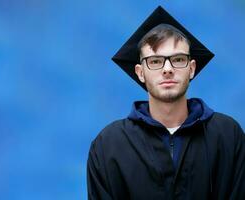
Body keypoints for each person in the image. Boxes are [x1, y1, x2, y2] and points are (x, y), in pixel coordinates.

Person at [87, 6, 245, 200]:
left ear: (192, 68)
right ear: (140, 72)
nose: (168, 69)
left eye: (178, 59)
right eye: (155, 61)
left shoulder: (227, 135)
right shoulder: (109, 145)